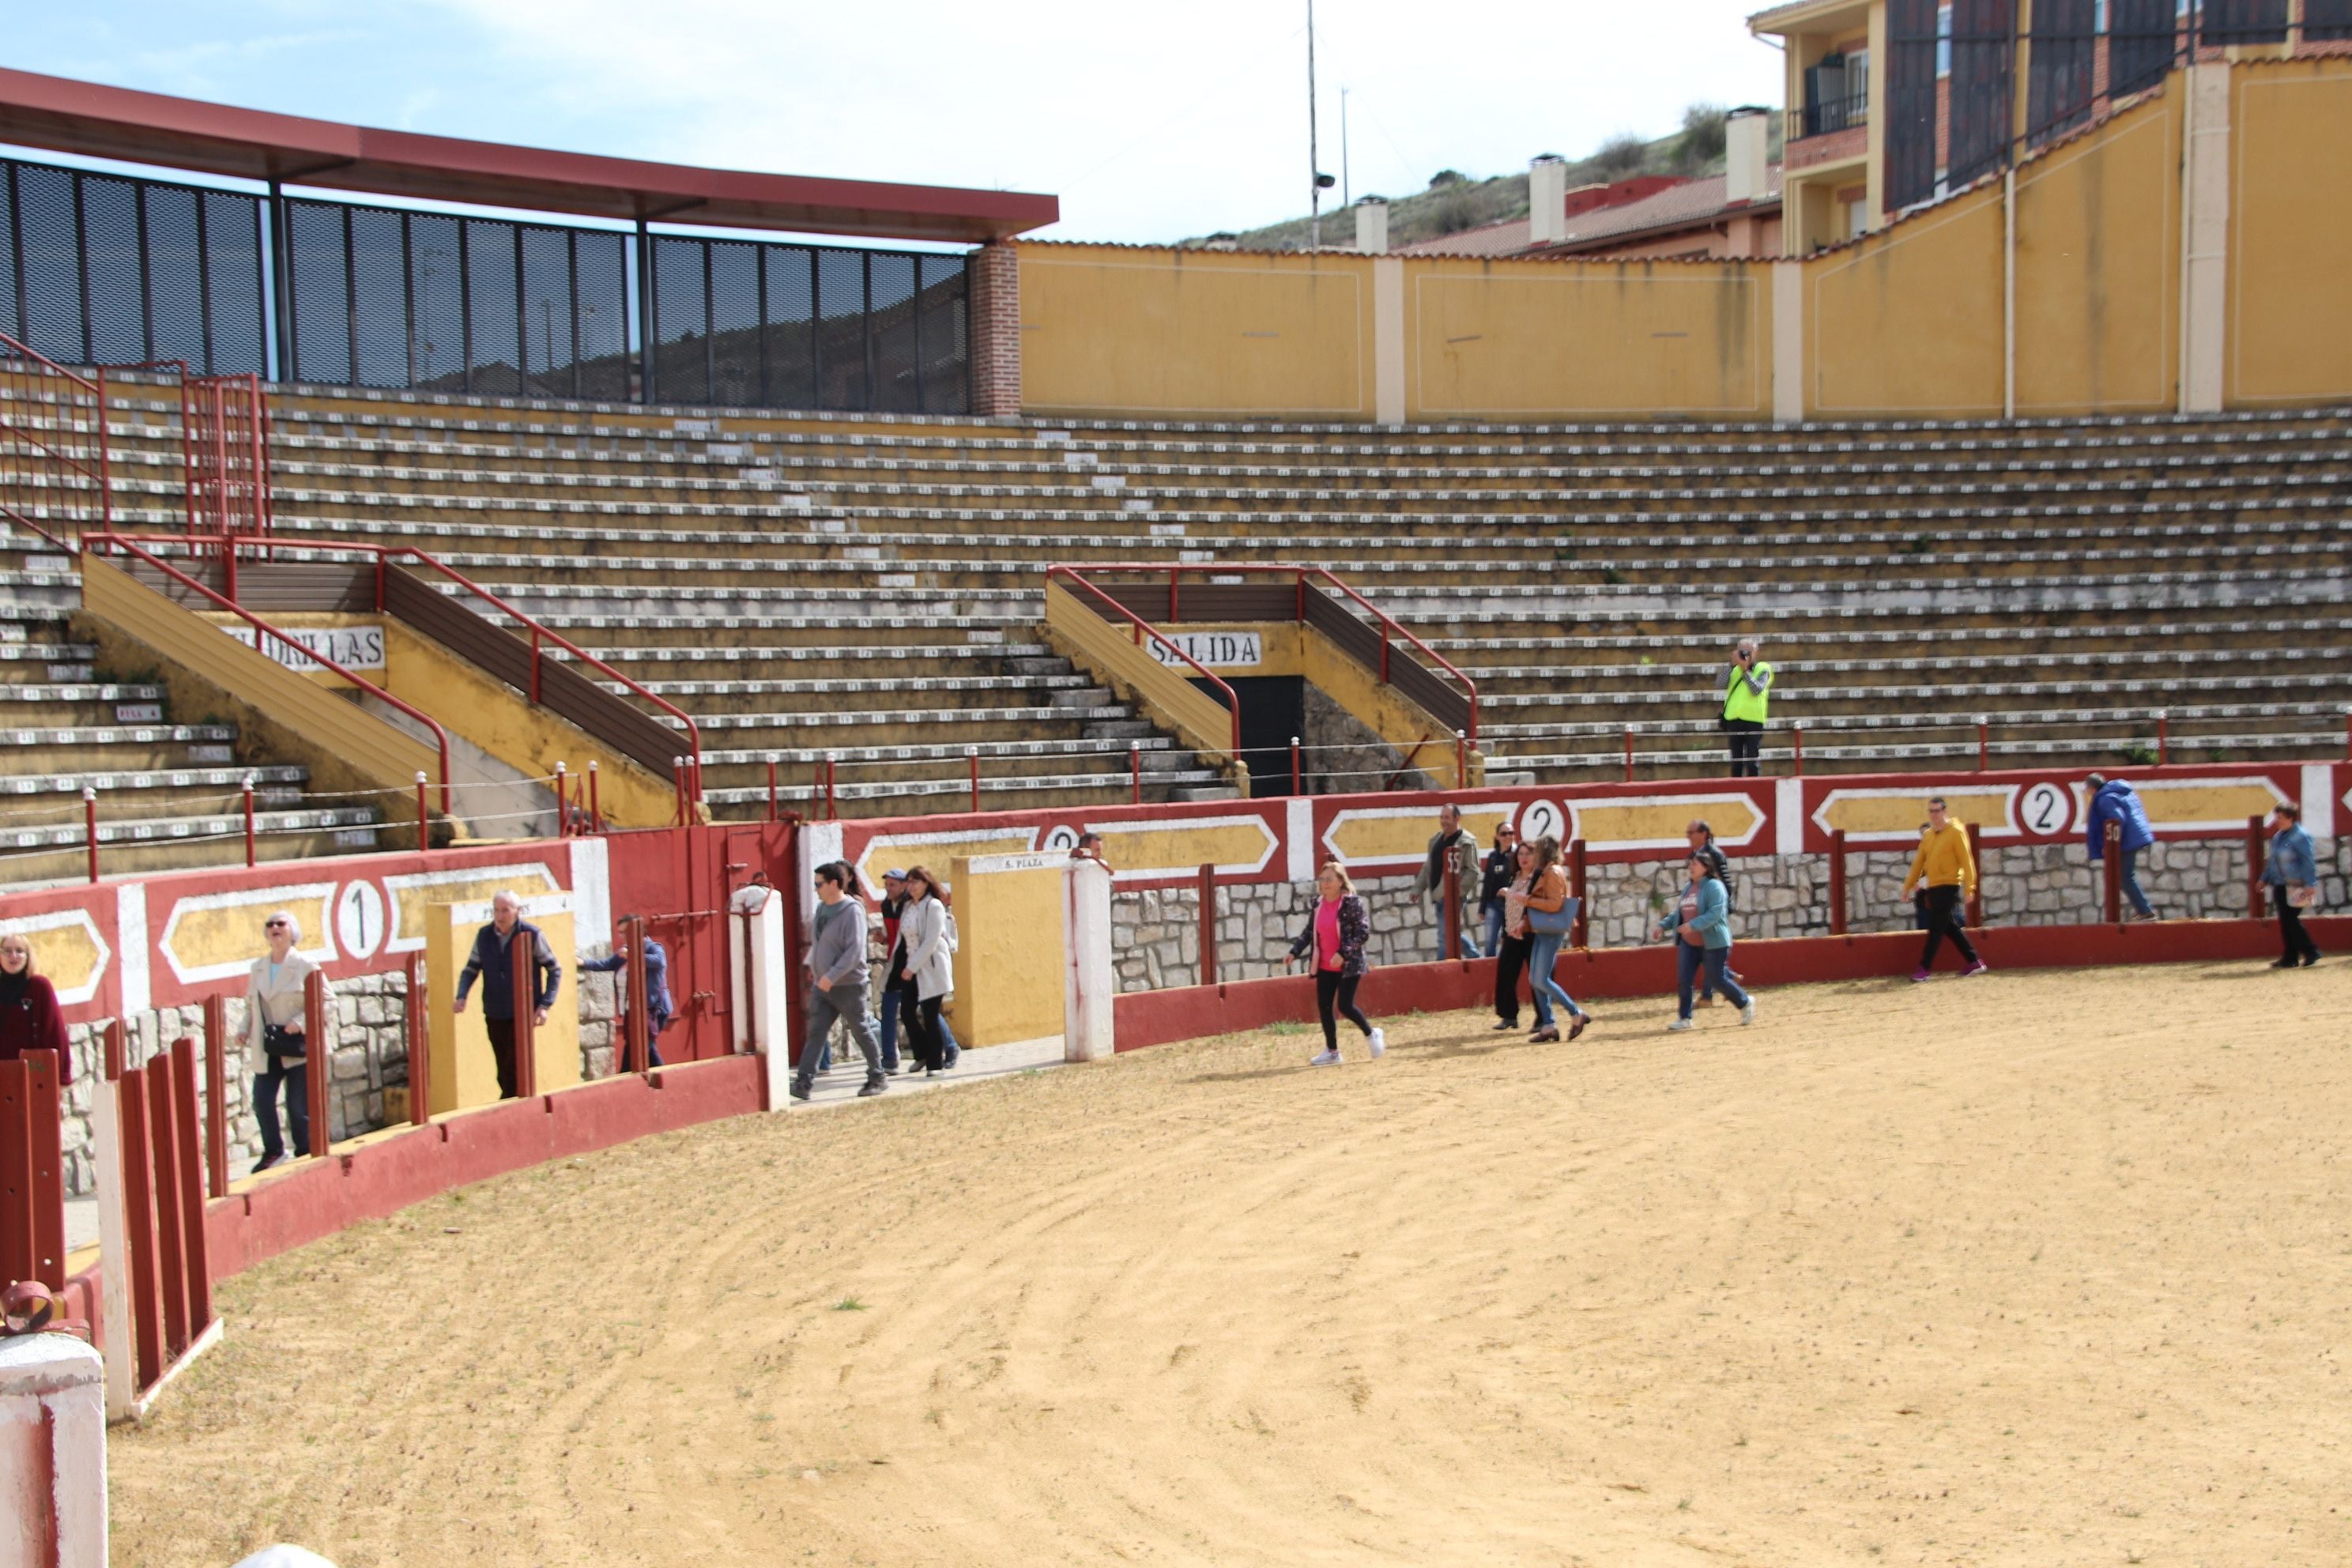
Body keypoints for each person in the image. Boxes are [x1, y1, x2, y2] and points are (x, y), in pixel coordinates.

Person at [452, 889, 563, 1099]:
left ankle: (510, 1103)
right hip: (494, 1009)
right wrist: (461, 996)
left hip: (523, 1011)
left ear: (517, 911)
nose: (500, 916)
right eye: (496, 910)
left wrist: (545, 1004)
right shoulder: (484, 935)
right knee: (502, 1063)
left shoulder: (532, 935)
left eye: (505, 910)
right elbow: (471, 969)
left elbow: (554, 969)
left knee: (515, 1062)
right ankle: (510, 1099)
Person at [790, 862, 887, 1101]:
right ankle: (804, 1081)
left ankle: (878, 1076)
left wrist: (831, 976)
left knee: (860, 1030)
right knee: (816, 1032)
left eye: (819, 884)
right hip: (823, 986)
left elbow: (854, 952)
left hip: (848, 986)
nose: (816, 889)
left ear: (834, 884)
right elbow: (819, 943)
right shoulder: (822, 909)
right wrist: (815, 969)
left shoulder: (852, 910)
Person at [245, 910, 323, 1173]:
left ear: (293, 931)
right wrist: (244, 1029)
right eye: (270, 924)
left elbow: (328, 1002)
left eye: (281, 923)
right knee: (262, 1099)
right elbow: (251, 1005)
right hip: (268, 1045)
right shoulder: (258, 968)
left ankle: (304, 1153)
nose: (275, 928)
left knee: (298, 1106)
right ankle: (274, 1150)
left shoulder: (306, 966)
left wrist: (300, 1022)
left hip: (296, 1045)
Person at [1283, 862, 1384, 1065]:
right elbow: (1309, 932)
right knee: (1325, 1006)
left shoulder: (1352, 903)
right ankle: (1332, 1052)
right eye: (1322, 879)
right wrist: (1294, 951)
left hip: (1349, 964)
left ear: (1340, 881)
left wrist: (1343, 953)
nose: (1325, 883)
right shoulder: (1318, 903)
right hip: (1325, 965)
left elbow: (1363, 932)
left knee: (1345, 1005)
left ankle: (1372, 1034)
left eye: (1329, 879)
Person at [1653, 855, 1755, 1030]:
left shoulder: (1714, 887)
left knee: (1717, 979)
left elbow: (1716, 913)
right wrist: (1663, 926)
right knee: (1684, 979)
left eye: (1695, 864)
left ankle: (1745, 1002)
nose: (1691, 867)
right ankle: (1685, 1019)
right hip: (1689, 943)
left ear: (1706, 867)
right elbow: (1680, 913)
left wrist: (1692, 925)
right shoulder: (1688, 888)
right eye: (1690, 864)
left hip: (1713, 943)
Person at [1901, 797, 1988, 981]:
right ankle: (1974, 961)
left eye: (1937, 811)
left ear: (1944, 811)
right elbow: (1918, 862)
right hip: (1933, 887)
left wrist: (1969, 888)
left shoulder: (1956, 832)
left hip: (1949, 886)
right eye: (1931, 811)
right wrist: (1908, 886)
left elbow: (1967, 860)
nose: (1934, 815)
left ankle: (1924, 968)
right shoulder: (1929, 836)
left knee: (1936, 927)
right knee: (1948, 926)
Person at [1521, 836, 1591, 1042]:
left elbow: (1554, 905)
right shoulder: (1549, 871)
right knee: (1535, 979)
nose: (1532, 856)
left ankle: (1575, 1013)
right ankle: (1549, 1025)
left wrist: (1526, 900)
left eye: (1535, 852)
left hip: (1550, 931)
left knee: (1540, 979)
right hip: (1544, 929)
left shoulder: (1552, 873)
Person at [578, 923, 670, 1069]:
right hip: (633, 1008)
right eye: (620, 933)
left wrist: (634, 955)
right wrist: (584, 963)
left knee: (641, 1044)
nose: (622, 937)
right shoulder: (625, 952)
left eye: (624, 933)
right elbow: (606, 964)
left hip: (653, 1009)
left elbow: (659, 961)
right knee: (644, 1045)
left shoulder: (653, 947)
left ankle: (628, 1075)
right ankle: (661, 1078)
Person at [895, 865, 958, 1076]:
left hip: (930, 968)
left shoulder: (934, 906)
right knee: (907, 1012)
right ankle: (922, 1053)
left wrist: (912, 968)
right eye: (909, 882)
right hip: (912, 968)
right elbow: (903, 937)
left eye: (916, 882)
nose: (911, 887)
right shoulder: (908, 907)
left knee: (930, 1016)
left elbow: (931, 940)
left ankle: (935, 1064)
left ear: (926, 883)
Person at [2082, 773, 2158, 921]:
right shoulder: (2119, 792)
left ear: (2092, 789)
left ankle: (2145, 910)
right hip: (2134, 836)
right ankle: (2142, 909)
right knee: (2123, 876)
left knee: (2124, 877)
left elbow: (2116, 819)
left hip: (2126, 840)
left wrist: (2110, 843)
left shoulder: (2105, 799)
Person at [1685, 819, 1743, 1006]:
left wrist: (1719, 907)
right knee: (1706, 951)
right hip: (1703, 909)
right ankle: (1728, 978)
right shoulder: (1698, 854)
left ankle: (1709, 995)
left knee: (1708, 950)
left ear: (1703, 834)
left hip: (1713, 910)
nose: (1688, 836)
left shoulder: (1713, 854)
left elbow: (1725, 882)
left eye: (1691, 832)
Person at [1413, 802, 1480, 960]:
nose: (1444, 821)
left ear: (1457, 818)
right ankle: (1477, 959)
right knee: (1450, 934)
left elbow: (1473, 871)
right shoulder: (1436, 840)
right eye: (1442, 817)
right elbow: (1428, 867)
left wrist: (1456, 892)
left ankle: (1441, 968)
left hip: (1454, 897)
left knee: (1445, 936)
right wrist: (1417, 889)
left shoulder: (1467, 841)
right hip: (1439, 897)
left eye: (1447, 817)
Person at [0, 933, 71, 1081]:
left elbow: (55, 1032)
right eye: (7, 951)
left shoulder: (39, 987)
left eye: (19, 951)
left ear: (28, 956)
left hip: (33, 1076)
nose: (13, 956)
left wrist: (62, 1077)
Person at [2260, 804, 2323, 968]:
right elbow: (2273, 861)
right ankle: (2290, 956)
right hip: (2280, 884)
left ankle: (2310, 951)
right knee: (2286, 920)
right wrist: (2264, 878)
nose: (2277, 821)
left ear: (2290, 818)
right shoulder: (2279, 837)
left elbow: (2307, 861)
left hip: (2296, 885)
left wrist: (2310, 883)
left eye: (2280, 817)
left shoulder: (2301, 836)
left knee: (2290, 919)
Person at [1491, 839, 1537, 1031]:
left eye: (1528, 854)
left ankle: (1543, 1018)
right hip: (1512, 933)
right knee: (1505, 975)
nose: (1523, 858)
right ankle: (1509, 1016)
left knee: (1537, 978)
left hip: (1532, 932)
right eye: (1520, 854)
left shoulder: (1537, 878)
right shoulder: (1514, 877)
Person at [1721, 637, 1773, 778]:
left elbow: (1756, 689)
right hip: (1734, 718)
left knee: (1752, 760)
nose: (1746, 655)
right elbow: (1720, 684)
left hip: (1754, 719)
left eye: (1748, 652)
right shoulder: (1734, 669)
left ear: (1755, 652)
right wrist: (1731, 665)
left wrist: (1745, 671)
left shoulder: (1763, 669)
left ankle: (1755, 787)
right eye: (1742, 652)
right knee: (1736, 761)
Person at [1476, 821, 1518, 958]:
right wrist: (1483, 907)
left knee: (1509, 943)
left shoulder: (1518, 855)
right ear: (1497, 837)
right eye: (1504, 833)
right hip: (1493, 904)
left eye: (1511, 833)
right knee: (1490, 943)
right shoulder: (1493, 856)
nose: (1508, 836)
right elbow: (1488, 883)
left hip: (1512, 904)